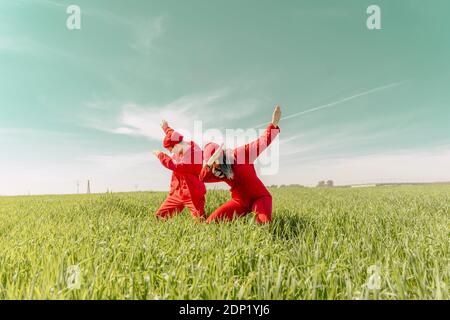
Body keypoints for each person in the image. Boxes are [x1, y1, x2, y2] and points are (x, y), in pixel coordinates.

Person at [200, 105, 281, 224]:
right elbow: (202, 178)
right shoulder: (217, 171)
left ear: (222, 153)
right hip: (240, 202)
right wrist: (210, 162)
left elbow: (262, 142)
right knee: (210, 223)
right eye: (212, 163)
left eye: (217, 159)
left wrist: (273, 124)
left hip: (260, 198)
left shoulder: (241, 154)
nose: (215, 165)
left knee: (264, 225)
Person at [152, 120, 206, 220]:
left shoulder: (195, 155)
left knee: (200, 222)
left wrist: (160, 155)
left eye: (171, 150)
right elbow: (172, 135)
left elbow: (176, 165)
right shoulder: (181, 145)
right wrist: (166, 128)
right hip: (178, 192)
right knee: (159, 217)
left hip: (193, 194)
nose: (171, 153)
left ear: (177, 145)